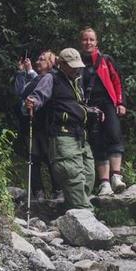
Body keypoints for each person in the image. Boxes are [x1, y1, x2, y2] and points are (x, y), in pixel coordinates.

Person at [24, 48, 94, 210]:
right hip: (62, 137)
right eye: (71, 65)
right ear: (61, 64)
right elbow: (39, 95)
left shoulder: (76, 81)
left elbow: (76, 105)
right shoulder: (51, 78)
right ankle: (85, 216)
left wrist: (92, 111)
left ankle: (71, 210)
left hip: (80, 136)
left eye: (77, 65)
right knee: (72, 176)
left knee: (89, 176)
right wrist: (33, 101)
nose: (76, 68)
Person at [79, 27, 128, 196]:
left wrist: (121, 102)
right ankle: (104, 183)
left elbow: (117, 81)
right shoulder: (77, 63)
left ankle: (116, 176)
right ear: (81, 42)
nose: (88, 43)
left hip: (108, 102)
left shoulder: (106, 60)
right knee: (97, 141)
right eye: (85, 40)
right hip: (90, 106)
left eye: (91, 39)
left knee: (114, 135)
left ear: (96, 42)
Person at [15, 51, 58, 201]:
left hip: (44, 124)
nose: (38, 61)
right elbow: (20, 92)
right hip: (30, 124)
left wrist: (33, 103)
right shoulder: (36, 79)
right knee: (33, 158)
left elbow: (41, 94)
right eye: (38, 59)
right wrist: (22, 72)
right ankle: (38, 191)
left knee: (48, 157)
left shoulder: (51, 78)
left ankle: (56, 191)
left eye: (42, 59)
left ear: (51, 62)